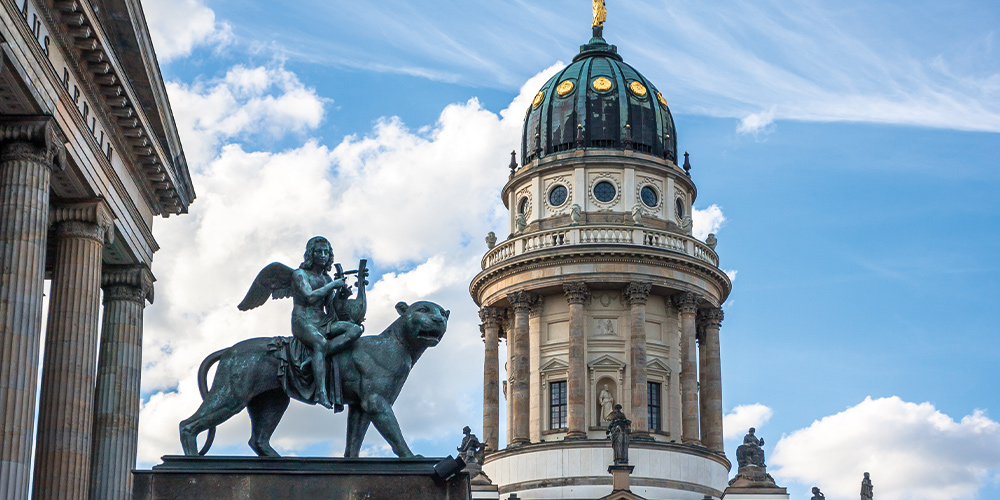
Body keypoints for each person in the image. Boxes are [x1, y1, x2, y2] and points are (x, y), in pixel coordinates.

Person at [291, 237, 362, 408]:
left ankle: (317, 357)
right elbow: (309, 297)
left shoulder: (327, 279)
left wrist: (341, 297)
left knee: (355, 330)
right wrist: (333, 286)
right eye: (319, 252)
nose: (323, 255)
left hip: (322, 321)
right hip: (302, 320)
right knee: (320, 343)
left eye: (326, 252)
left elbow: (331, 308)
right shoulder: (300, 274)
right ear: (311, 254)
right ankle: (321, 393)